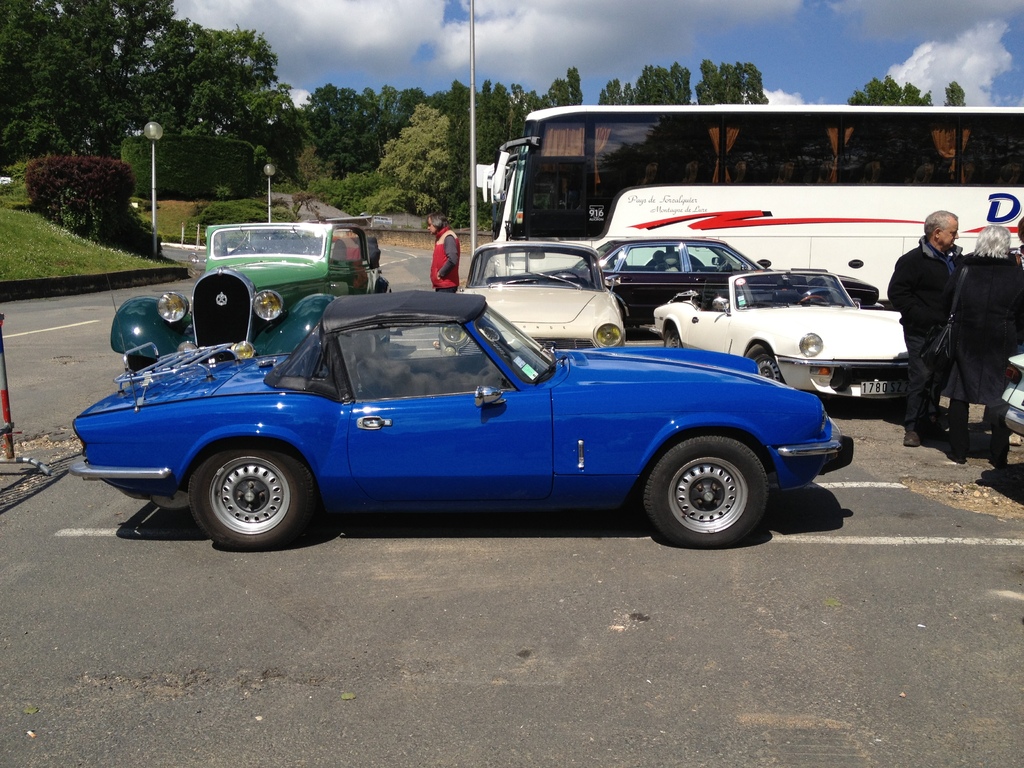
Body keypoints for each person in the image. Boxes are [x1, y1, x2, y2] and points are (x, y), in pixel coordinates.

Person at [941, 225, 1024, 467]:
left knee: (959, 394)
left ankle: (958, 451)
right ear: (1005, 246)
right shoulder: (1017, 275)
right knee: (1002, 396)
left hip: (965, 337)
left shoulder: (965, 268)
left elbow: (946, 299)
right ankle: (998, 455)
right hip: (1002, 339)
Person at [888, 210, 962, 448]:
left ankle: (931, 420)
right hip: (921, 331)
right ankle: (913, 427)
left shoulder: (957, 260)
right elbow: (898, 294)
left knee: (938, 379)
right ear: (937, 233)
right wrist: (922, 317)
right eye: (953, 232)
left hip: (947, 331)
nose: (957, 236)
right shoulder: (912, 260)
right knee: (921, 378)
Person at [427, 212, 460, 292]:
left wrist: (440, 273)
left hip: (447, 286)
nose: (428, 228)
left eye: (430, 225)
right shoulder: (441, 237)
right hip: (442, 285)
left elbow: (452, 259)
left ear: (437, 224)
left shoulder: (448, 237)